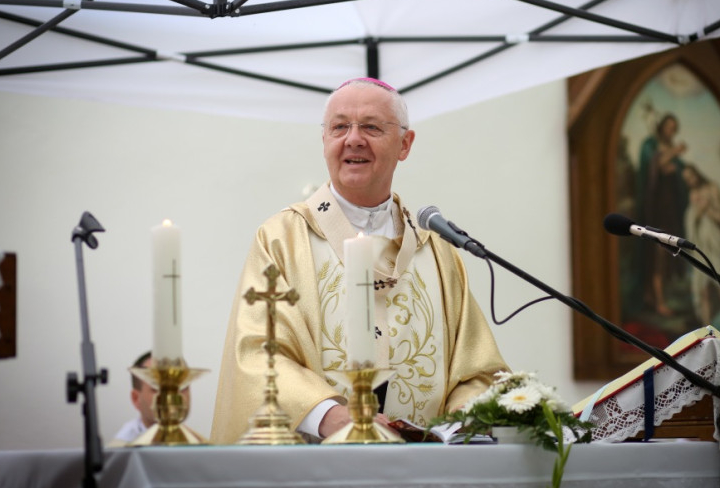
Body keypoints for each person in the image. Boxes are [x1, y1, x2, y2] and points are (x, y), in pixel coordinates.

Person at [210, 77, 508, 444]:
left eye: (371, 127)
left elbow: (476, 371)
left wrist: (461, 421)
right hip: (316, 462)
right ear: (324, 140)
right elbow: (258, 354)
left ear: (405, 144)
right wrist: (329, 416)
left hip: (425, 466)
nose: (353, 139)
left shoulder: (435, 251)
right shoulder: (281, 239)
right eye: (339, 127)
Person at [635, 112, 689, 317]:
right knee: (657, 253)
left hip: (670, 210)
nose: (671, 131)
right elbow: (653, 165)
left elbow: (677, 173)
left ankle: (658, 296)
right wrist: (673, 153)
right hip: (656, 209)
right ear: (661, 127)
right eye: (668, 126)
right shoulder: (651, 145)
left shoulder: (667, 148)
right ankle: (656, 299)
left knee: (668, 253)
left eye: (674, 128)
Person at [681, 163, 720, 336]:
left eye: (691, 176)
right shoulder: (692, 194)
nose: (691, 181)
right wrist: (697, 213)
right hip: (701, 247)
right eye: (687, 180)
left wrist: (706, 209)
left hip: (715, 247)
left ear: (697, 173)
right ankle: (706, 335)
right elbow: (692, 222)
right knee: (704, 293)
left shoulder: (713, 188)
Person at [110, 351, 191, 446]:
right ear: (136, 399)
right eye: (158, 387)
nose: (172, 395)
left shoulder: (197, 444)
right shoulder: (122, 449)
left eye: (182, 386)